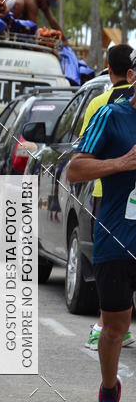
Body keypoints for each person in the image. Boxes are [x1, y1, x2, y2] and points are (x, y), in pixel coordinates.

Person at [67, 49, 136, 402]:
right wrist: (121, 163)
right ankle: (109, 390)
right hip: (117, 237)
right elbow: (74, 168)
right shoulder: (112, 115)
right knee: (113, 328)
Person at [79, 44, 135, 350]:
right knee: (114, 270)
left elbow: (80, 140)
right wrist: (120, 164)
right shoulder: (108, 109)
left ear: (108, 68)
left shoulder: (97, 99)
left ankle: (110, 326)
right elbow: (83, 155)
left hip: (101, 195)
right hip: (111, 194)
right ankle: (104, 327)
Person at [0, 0, 65, 37]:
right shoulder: (32, 1)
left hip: (4, 14)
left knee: (26, 24)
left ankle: (12, 33)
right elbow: (34, 30)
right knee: (19, 4)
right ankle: (6, 34)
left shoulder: (41, 0)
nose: (48, 7)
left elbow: (52, 20)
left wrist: (64, 41)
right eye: (48, 3)